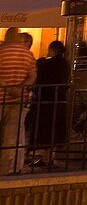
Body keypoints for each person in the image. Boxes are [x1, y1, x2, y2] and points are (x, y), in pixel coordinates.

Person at [25, 41, 68, 169]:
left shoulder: (47, 64)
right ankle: (47, 157)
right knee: (53, 131)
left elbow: (41, 78)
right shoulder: (64, 64)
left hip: (47, 102)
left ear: (52, 50)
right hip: (59, 100)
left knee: (45, 129)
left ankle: (42, 156)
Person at [0, 28, 37, 174]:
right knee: (11, 136)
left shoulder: (1, 52)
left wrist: (8, 88)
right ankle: (5, 169)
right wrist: (21, 88)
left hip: (1, 97)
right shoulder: (27, 54)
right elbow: (32, 76)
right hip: (18, 99)